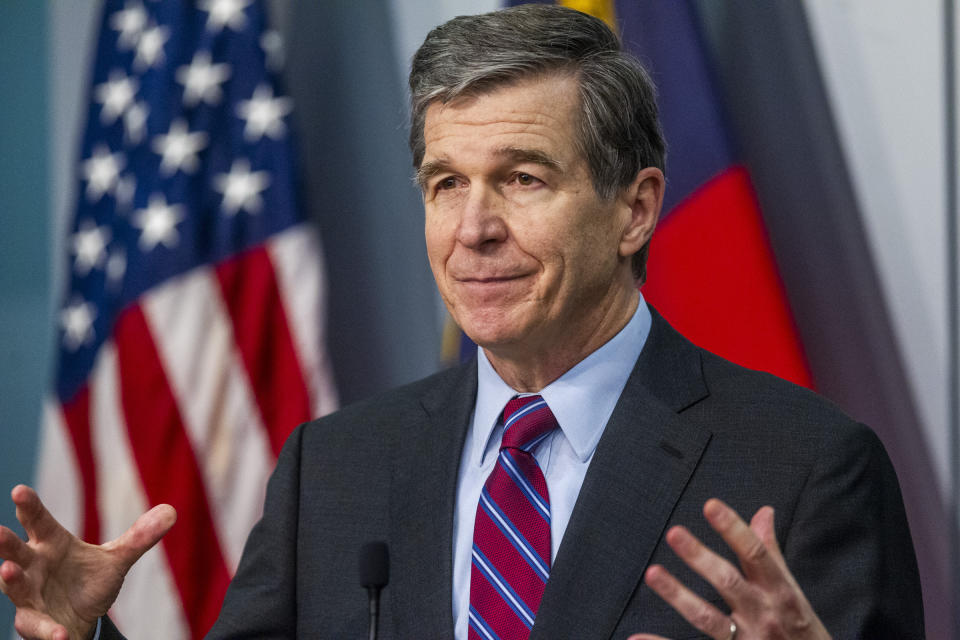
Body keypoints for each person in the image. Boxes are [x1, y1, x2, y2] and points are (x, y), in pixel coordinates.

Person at [0, 5, 922, 639]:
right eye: (447, 185)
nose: (474, 229)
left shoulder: (804, 469)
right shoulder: (336, 469)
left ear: (634, 210)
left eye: (522, 178)